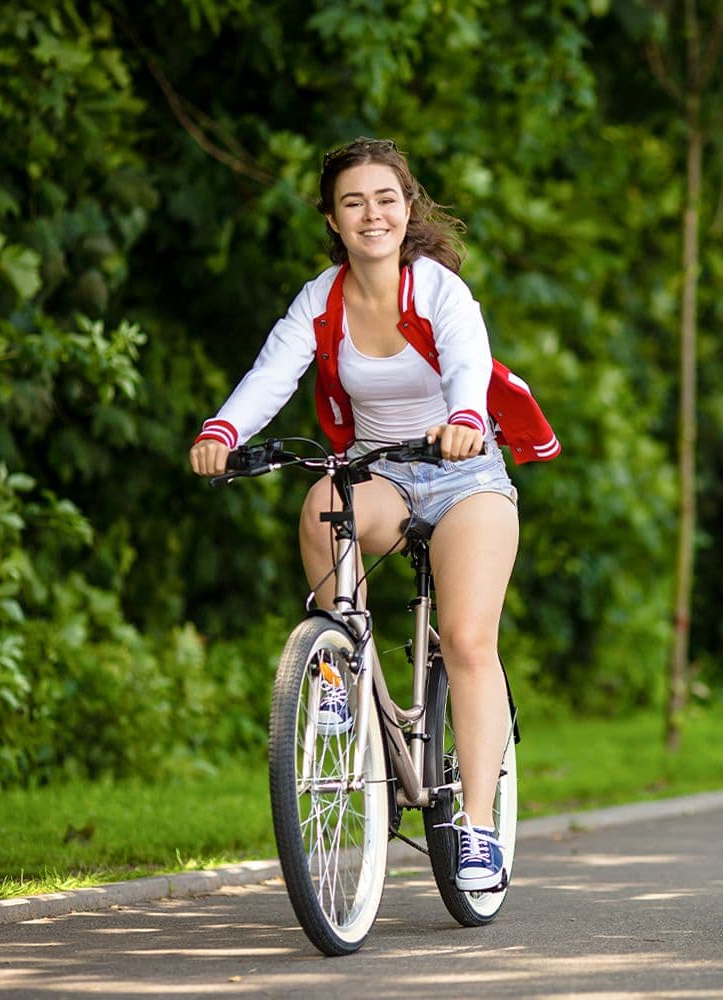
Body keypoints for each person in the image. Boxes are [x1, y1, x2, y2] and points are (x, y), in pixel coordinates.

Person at [189, 137, 548, 892]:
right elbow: (272, 373)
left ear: (407, 208)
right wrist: (224, 432)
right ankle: (339, 671)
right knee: (324, 501)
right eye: (353, 202)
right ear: (333, 217)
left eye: (385, 199)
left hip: (465, 475)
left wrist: (463, 417)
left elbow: (468, 360)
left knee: (468, 639)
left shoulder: (438, 290)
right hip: (379, 472)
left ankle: (477, 828)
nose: (371, 214)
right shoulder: (321, 300)